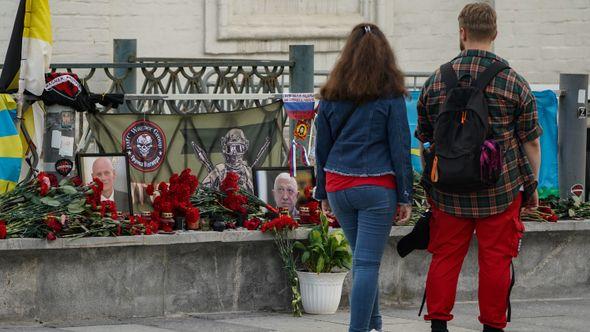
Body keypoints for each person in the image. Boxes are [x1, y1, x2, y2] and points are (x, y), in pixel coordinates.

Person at [415, 3, 542, 332]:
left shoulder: (436, 81)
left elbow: (426, 138)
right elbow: (530, 141)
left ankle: (439, 325)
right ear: (495, 34)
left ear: (462, 32)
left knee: (445, 256)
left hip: (448, 191)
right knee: (496, 260)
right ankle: (492, 326)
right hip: (499, 190)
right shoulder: (514, 82)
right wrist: (532, 185)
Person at [314, 23, 413, 332]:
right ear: (385, 56)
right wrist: (405, 196)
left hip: (339, 186)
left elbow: (322, 149)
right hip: (376, 188)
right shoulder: (391, 97)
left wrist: (322, 193)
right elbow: (400, 148)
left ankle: (375, 324)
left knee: (361, 259)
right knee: (367, 263)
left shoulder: (331, 96)